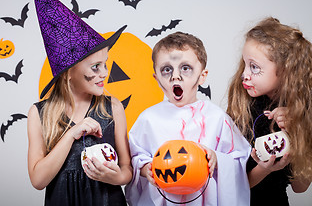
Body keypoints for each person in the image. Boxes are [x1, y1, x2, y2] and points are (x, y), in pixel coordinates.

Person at [26, 0, 132, 206]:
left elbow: (127, 170)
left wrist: (115, 177)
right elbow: (38, 179)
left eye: (105, 64)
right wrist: (72, 135)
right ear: (68, 73)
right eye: (95, 67)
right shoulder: (39, 114)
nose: (104, 73)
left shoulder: (112, 107)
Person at [125, 32, 251, 205]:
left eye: (185, 68)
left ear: (202, 76)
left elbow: (240, 159)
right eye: (167, 69)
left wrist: (217, 158)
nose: (175, 76)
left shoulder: (217, 118)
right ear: (156, 78)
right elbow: (136, 156)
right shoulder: (148, 119)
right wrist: (146, 168)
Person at [227, 17, 312, 206]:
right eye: (245, 64)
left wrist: (298, 131)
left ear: (284, 72)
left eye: (254, 67)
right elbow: (232, 186)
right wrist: (265, 169)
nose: (244, 74)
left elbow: (300, 186)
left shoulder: (301, 114)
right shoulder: (242, 108)